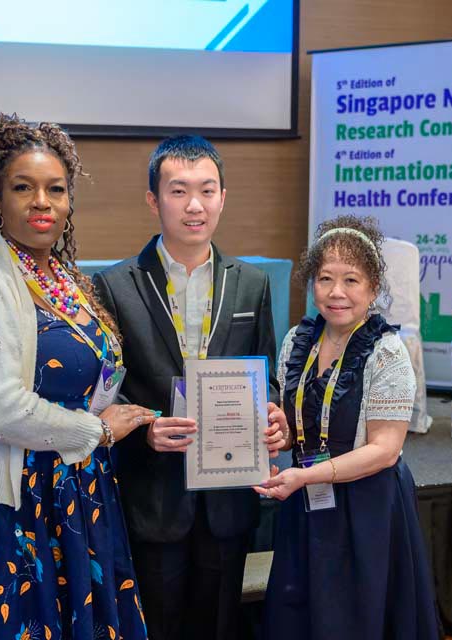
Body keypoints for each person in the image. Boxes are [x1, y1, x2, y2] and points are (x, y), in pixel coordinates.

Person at [0, 113, 156, 640]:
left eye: (55, 189)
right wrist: (98, 430)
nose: (42, 201)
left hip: (70, 485)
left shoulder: (60, 275)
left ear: (68, 203)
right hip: (5, 499)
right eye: (24, 187)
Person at [92, 135, 287, 640]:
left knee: (220, 625)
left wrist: (273, 415)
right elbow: (103, 391)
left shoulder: (252, 283)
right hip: (154, 493)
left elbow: (265, 375)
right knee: (157, 625)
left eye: (206, 190)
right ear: (153, 200)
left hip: (228, 493)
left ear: (223, 197)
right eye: (179, 191)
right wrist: (144, 429)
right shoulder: (115, 285)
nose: (194, 205)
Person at [256, 214, 442, 639]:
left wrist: (305, 475)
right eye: (325, 279)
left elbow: (385, 450)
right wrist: (280, 430)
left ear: (373, 288)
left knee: (356, 616)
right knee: (303, 612)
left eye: (351, 280)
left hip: (366, 507)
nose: (336, 292)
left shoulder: (387, 352)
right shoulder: (297, 341)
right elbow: (298, 426)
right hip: (306, 500)